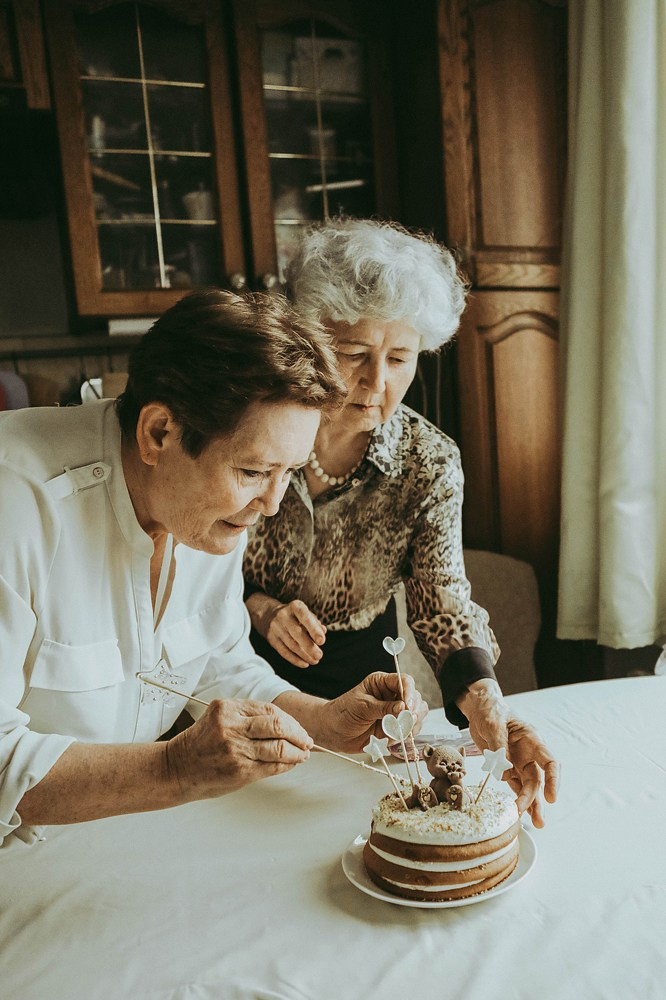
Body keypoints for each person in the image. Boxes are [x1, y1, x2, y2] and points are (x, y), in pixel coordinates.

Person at [0, 288, 427, 850]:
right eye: (253, 471)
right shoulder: (16, 504)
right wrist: (175, 770)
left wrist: (323, 722)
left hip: (130, 841)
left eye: (289, 472)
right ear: (160, 432)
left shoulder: (202, 507)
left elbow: (218, 662)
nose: (273, 503)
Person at [244, 219, 559, 826]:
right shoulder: (256, 428)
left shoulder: (429, 462)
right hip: (233, 662)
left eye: (399, 358)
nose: (376, 383)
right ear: (310, 339)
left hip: (357, 687)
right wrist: (259, 607)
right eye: (354, 354)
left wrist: (487, 700)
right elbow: (186, 557)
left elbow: (443, 603)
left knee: (350, 832)